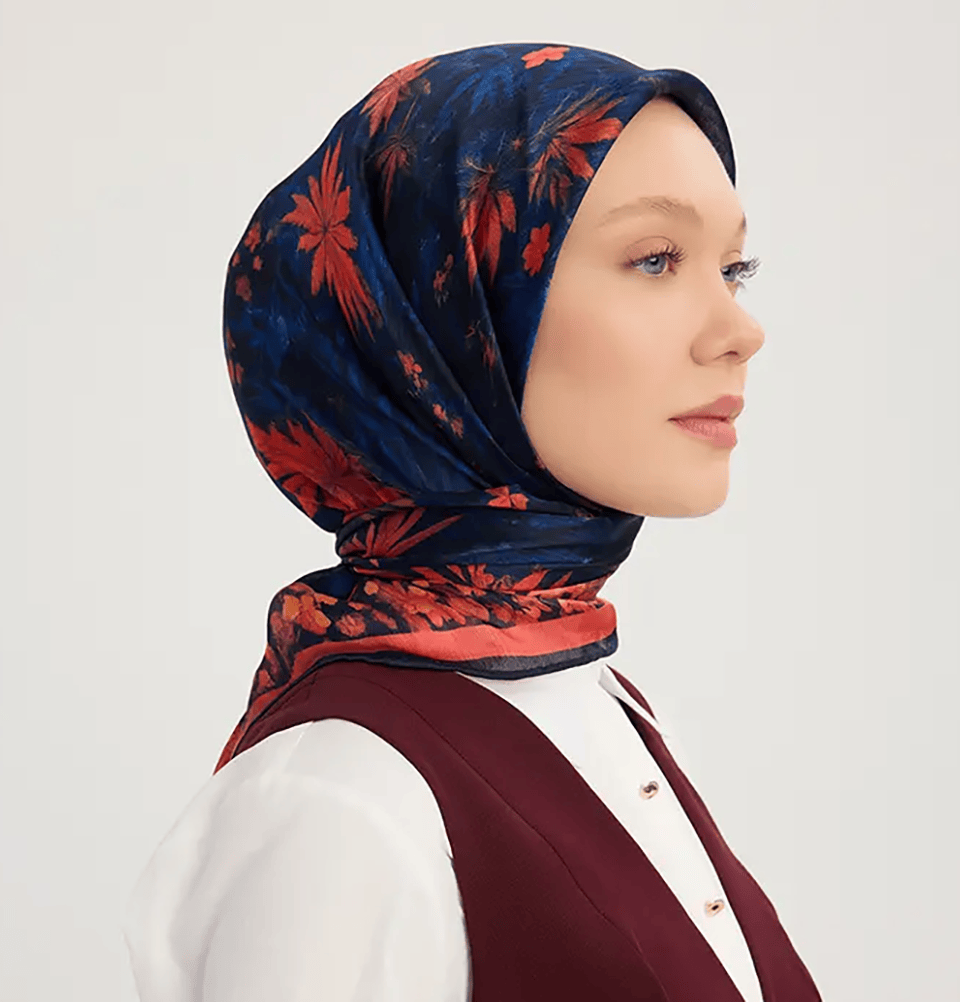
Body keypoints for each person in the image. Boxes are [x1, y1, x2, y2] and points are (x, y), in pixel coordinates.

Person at [123, 42, 822, 1001]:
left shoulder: (600, 700)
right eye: (655, 259)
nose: (740, 330)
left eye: (734, 267)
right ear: (443, 311)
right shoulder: (345, 799)